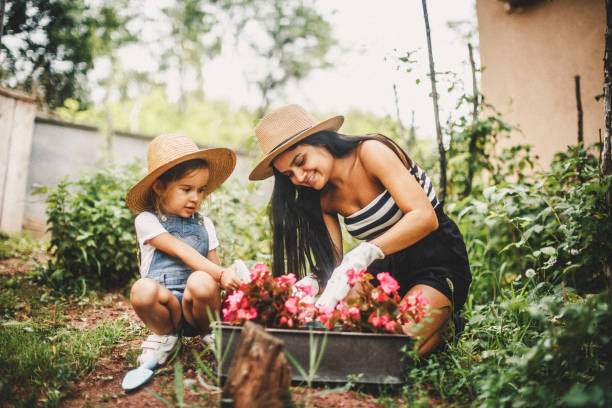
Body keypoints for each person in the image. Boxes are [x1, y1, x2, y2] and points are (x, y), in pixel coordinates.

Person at [249, 104, 472, 356]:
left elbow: (424, 217)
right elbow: (333, 268)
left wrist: (362, 253)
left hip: (435, 257)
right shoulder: (322, 198)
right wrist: (306, 289)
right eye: (289, 174)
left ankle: (446, 327)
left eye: (301, 161)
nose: (299, 177)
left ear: (322, 142)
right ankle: (428, 327)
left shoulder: (370, 152)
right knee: (353, 334)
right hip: (386, 267)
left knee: (394, 350)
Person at [126, 134, 243, 366]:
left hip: (196, 310)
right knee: (141, 290)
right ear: (159, 187)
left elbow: (214, 269)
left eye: (201, 190)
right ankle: (165, 338)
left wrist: (228, 277)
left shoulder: (205, 225)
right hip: (166, 310)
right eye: (186, 189)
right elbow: (180, 249)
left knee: (202, 279)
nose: (195, 198)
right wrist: (220, 274)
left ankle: (210, 333)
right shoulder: (147, 221)